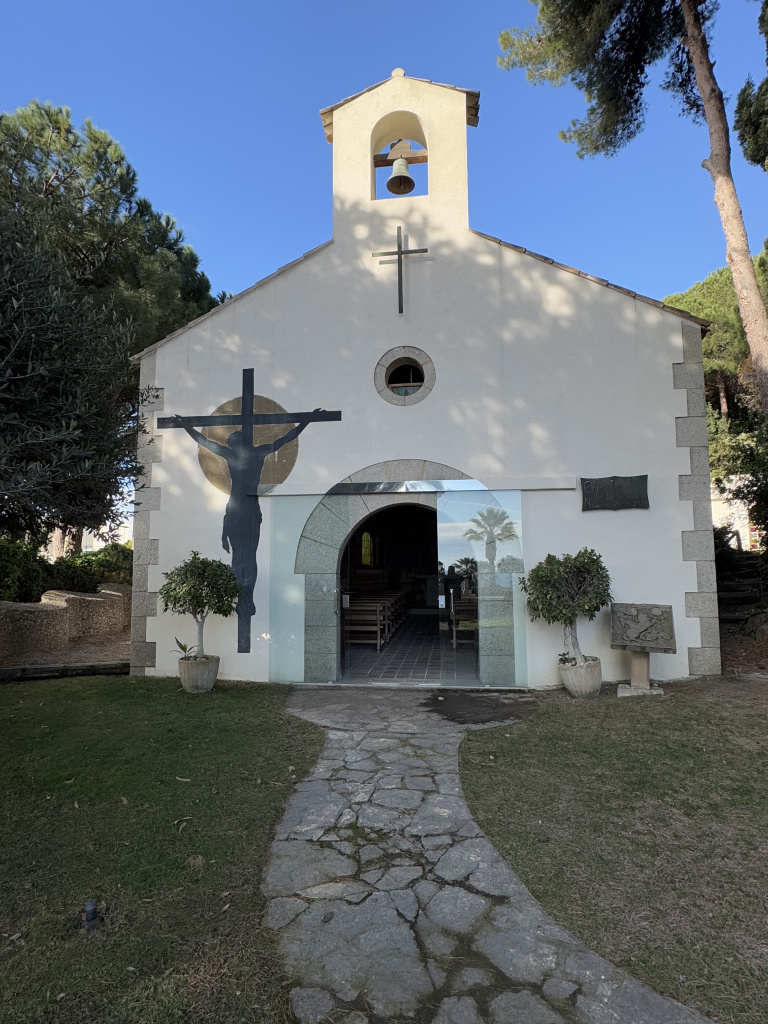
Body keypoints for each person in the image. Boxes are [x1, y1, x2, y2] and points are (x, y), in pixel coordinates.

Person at [175, 410, 320, 651]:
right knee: (247, 557)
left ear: (234, 442)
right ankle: (246, 598)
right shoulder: (259, 452)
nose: (228, 442)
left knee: (239, 557)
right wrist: (305, 421)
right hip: (250, 510)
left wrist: (185, 426)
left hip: (236, 509)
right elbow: (286, 438)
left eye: (230, 440)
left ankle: (243, 598)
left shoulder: (230, 454)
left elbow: (204, 442)